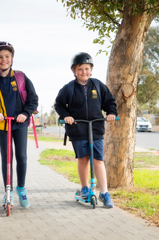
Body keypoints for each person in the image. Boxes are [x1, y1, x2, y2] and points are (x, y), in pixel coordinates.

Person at [0, 41, 38, 208]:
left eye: (6, 56)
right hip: (3, 125)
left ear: (12, 58)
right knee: (7, 158)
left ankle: (21, 188)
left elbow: (33, 99)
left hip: (19, 124)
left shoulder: (20, 77)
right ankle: (8, 191)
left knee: (22, 157)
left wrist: (25, 114)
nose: (3, 60)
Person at [54, 52, 118, 208]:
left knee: (98, 159)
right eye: (80, 69)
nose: (84, 72)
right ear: (74, 71)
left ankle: (104, 192)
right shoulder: (68, 88)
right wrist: (66, 115)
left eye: (87, 68)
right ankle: (85, 188)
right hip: (78, 128)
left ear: (91, 69)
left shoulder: (97, 85)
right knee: (83, 159)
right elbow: (59, 105)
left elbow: (109, 101)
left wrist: (111, 113)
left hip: (96, 128)